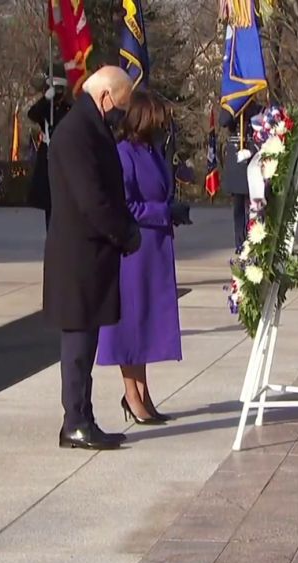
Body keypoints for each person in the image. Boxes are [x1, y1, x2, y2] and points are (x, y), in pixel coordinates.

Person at [45, 66, 139, 451]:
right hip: (78, 257)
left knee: (87, 341)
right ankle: (75, 421)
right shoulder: (75, 132)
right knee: (79, 346)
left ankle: (84, 416)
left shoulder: (88, 127)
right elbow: (92, 200)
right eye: (120, 107)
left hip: (91, 256)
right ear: (105, 98)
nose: (121, 117)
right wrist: (123, 232)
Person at [96, 91, 185, 426]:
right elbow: (127, 205)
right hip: (133, 252)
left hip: (155, 250)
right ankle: (131, 395)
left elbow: (160, 191)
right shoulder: (123, 154)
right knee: (130, 326)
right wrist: (164, 212)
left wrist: (174, 212)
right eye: (158, 121)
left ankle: (142, 392)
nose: (163, 127)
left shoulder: (152, 151)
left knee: (145, 324)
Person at [28, 76, 72, 229]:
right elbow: (32, 114)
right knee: (49, 201)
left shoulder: (69, 109)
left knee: (64, 200)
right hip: (47, 155)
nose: (58, 93)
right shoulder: (47, 108)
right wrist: (45, 100)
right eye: (55, 89)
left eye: (60, 89)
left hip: (64, 156)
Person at [219, 102, 263, 251]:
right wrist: (233, 107)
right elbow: (223, 121)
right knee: (238, 206)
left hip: (251, 157)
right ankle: (240, 242)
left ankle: (254, 239)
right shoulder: (233, 108)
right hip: (236, 160)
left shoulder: (258, 109)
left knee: (254, 205)